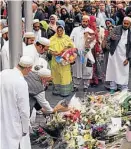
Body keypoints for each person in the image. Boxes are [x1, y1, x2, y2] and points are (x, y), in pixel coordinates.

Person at [0, 56, 33, 149]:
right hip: (13, 120)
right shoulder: (21, 82)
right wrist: (26, 128)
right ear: (27, 68)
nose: (30, 71)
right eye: (30, 69)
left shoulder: (3, 73)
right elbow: (24, 109)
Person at [70, 15, 96, 92]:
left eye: (86, 21)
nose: (84, 23)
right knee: (76, 69)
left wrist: (88, 48)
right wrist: (74, 47)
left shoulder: (91, 31)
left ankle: (86, 86)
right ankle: (75, 85)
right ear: (81, 21)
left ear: (88, 22)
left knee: (87, 69)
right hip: (77, 53)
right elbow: (70, 39)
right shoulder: (75, 29)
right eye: (83, 21)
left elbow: (93, 42)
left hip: (86, 54)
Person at [106, 17, 131, 93]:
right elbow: (109, 38)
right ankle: (113, 88)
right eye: (124, 23)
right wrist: (111, 38)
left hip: (124, 55)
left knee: (124, 72)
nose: (125, 25)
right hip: (114, 53)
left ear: (130, 24)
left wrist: (128, 58)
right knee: (113, 71)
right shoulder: (116, 28)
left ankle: (124, 89)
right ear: (122, 22)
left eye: (127, 24)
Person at [49, 25, 75, 97]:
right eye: (58, 30)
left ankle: (65, 92)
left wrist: (65, 51)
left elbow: (72, 47)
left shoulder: (67, 38)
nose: (59, 32)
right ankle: (56, 91)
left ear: (63, 31)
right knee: (56, 75)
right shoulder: (52, 39)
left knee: (65, 75)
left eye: (61, 30)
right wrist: (55, 53)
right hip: (55, 60)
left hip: (64, 61)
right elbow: (49, 49)